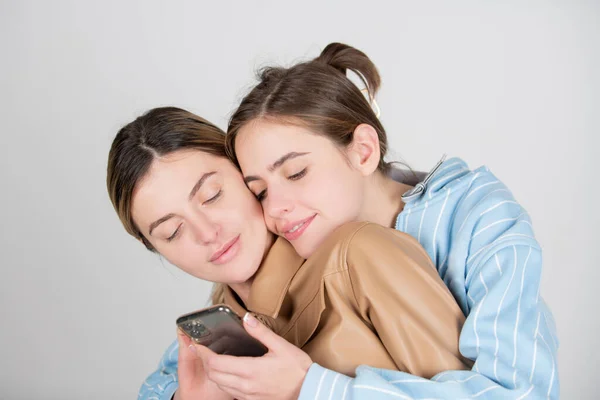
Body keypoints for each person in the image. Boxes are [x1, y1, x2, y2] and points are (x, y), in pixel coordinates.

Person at [195, 42, 559, 399]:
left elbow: (523, 392)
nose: (275, 209)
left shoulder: (476, 217)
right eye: (259, 192)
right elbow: (166, 379)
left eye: (296, 172)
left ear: (363, 151)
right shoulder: (291, 240)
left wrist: (309, 388)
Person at [106, 107, 469, 400]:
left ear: (244, 172)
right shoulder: (214, 328)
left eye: (212, 195)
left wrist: (308, 390)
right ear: (155, 248)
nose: (207, 233)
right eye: (172, 232)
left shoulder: (361, 255)